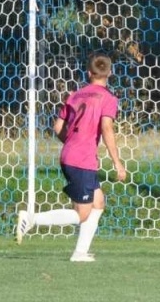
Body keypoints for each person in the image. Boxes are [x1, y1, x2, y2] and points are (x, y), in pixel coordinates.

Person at [16, 52, 127, 262]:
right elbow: (107, 128)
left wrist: (72, 143)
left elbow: (58, 127)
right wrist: (117, 163)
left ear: (89, 73)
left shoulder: (75, 95)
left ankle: (80, 252)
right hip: (82, 160)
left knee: (98, 203)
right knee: (82, 213)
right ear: (110, 73)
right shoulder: (108, 98)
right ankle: (31, 219)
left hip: (69, 154)